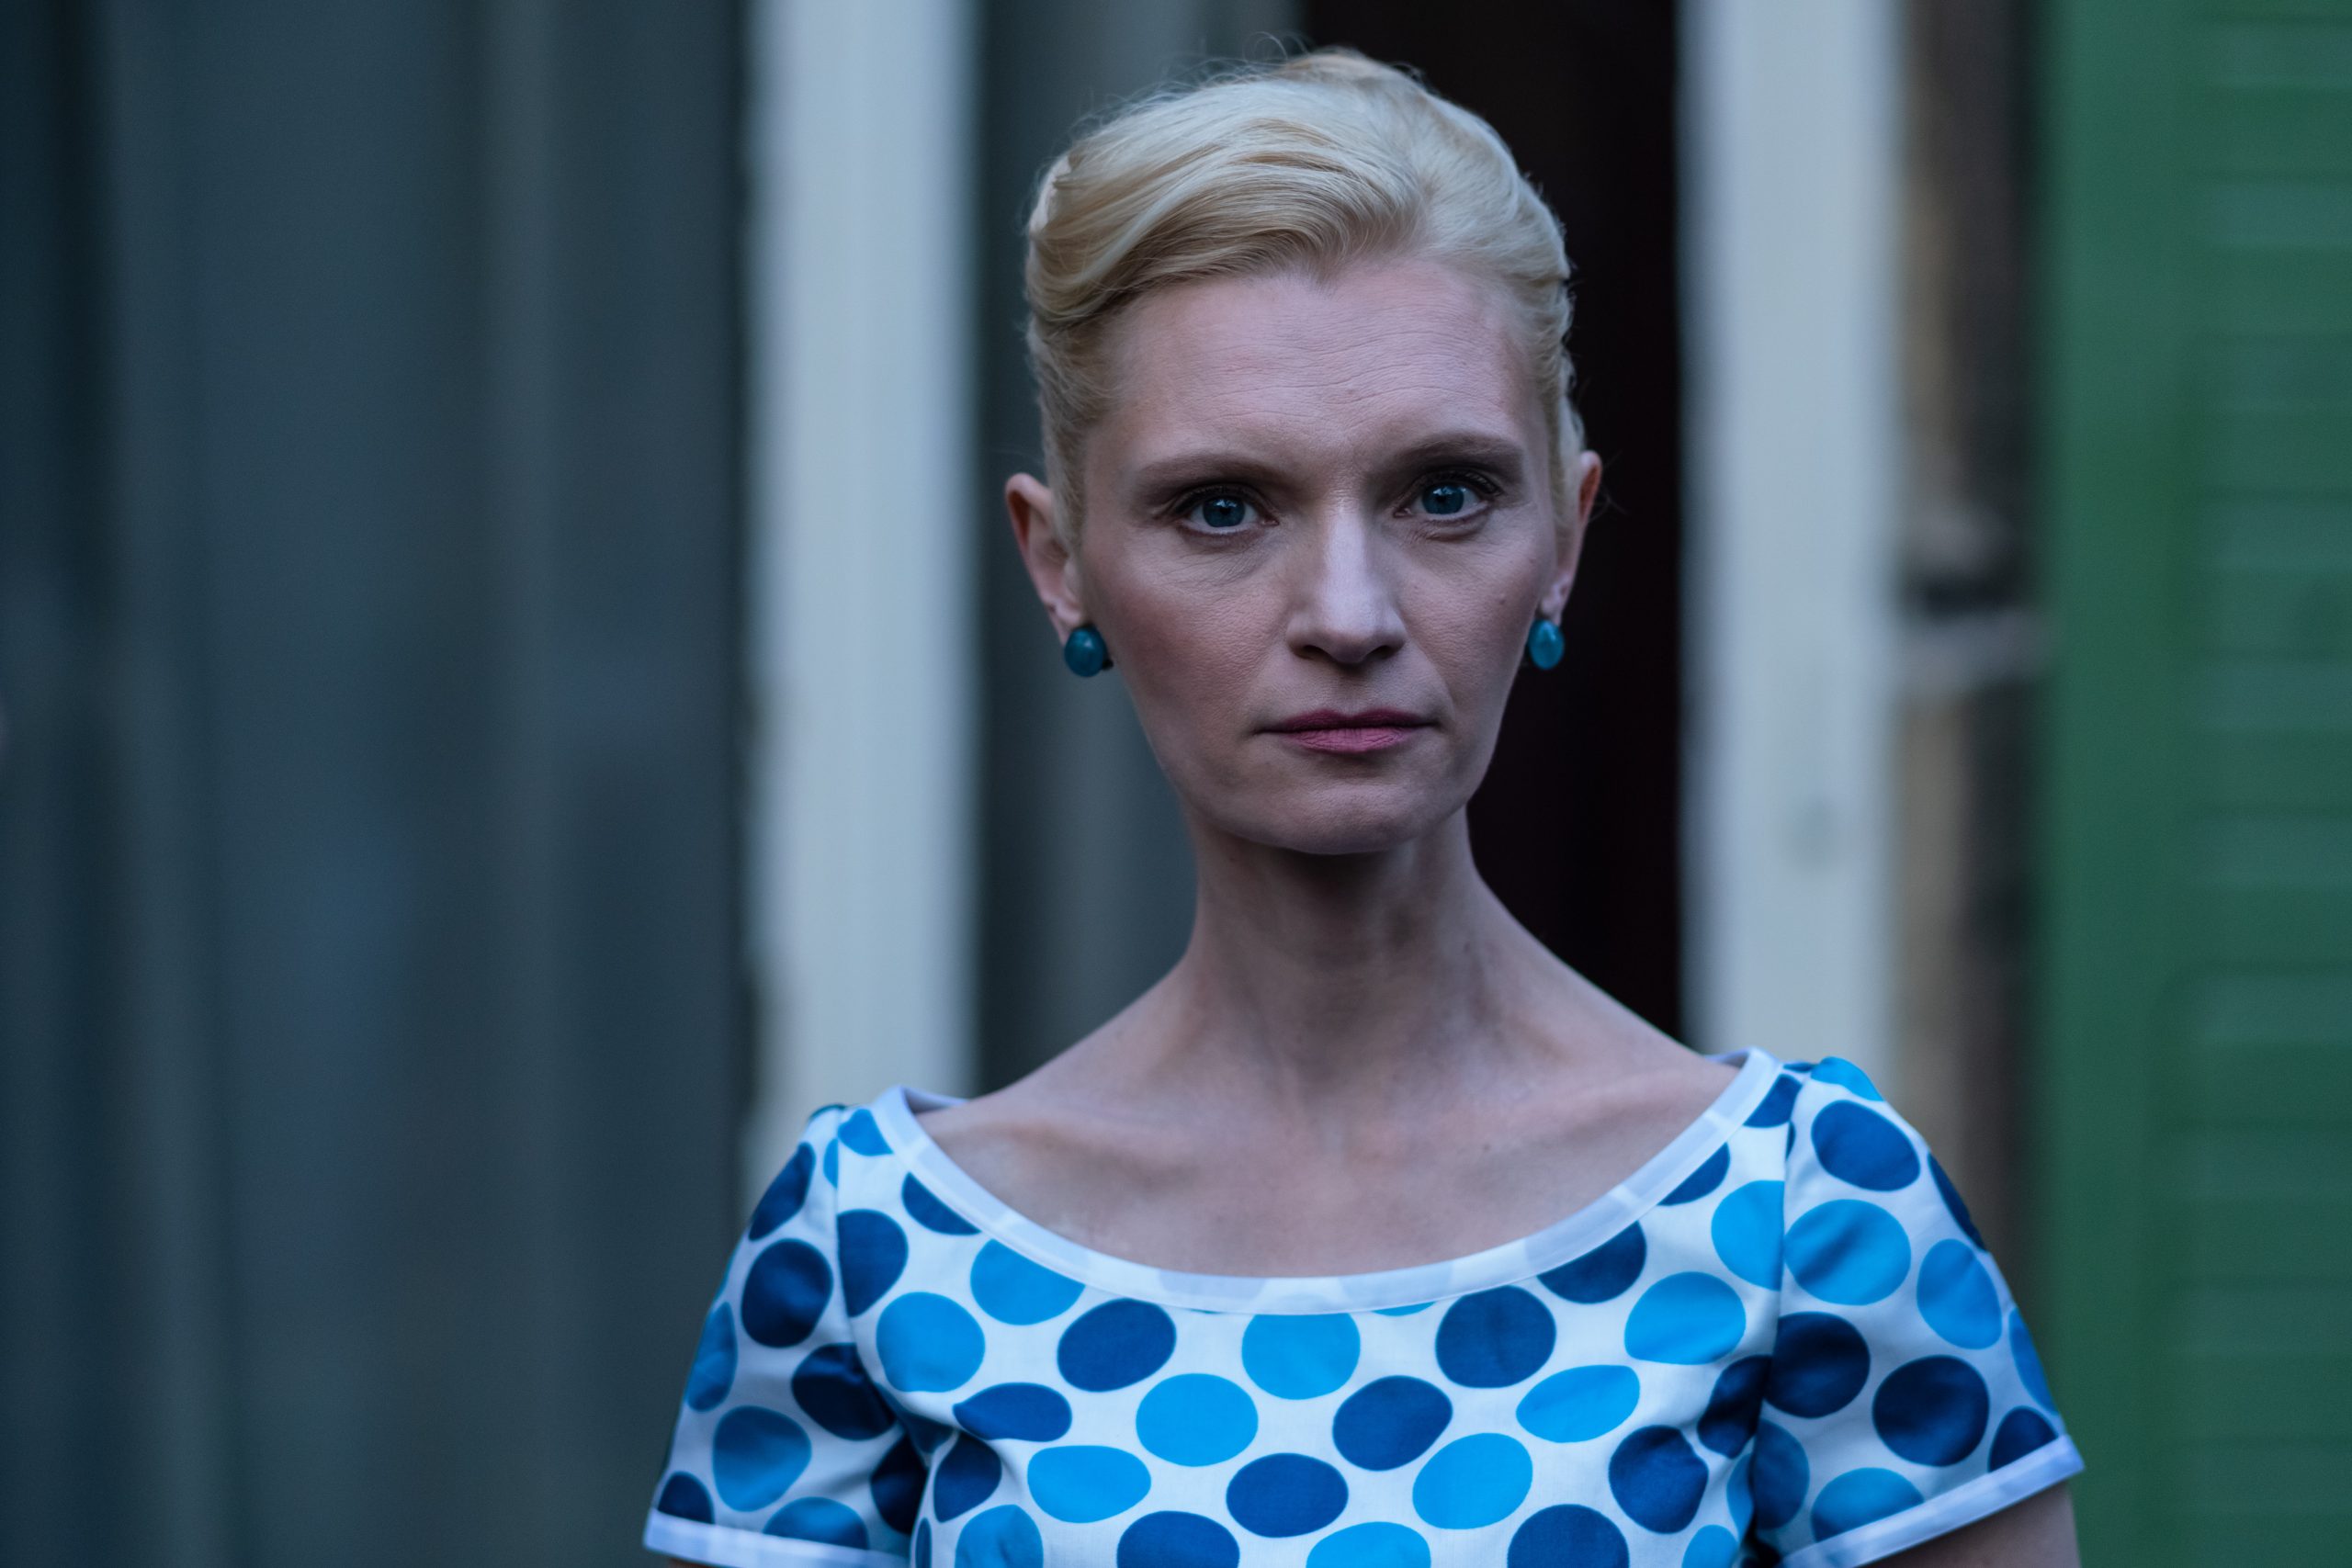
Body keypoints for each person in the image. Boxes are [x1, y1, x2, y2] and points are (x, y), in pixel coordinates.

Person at [642, 48, 2083, 1568]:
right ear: (1060, 562)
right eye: (1222, 508)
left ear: (1565, 533)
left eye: (1444, 493)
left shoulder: (1811, 1221)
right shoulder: (872, 1255)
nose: (1348, 613)